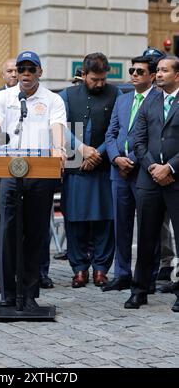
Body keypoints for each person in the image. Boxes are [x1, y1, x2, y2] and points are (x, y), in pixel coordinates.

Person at [0, 50, 66, 309]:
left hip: (41, 173)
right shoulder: (3, 97)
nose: (25, 74)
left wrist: (59, 148)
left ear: (40, 72)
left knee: (37, 234)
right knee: (7, 233)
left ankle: (29, 293)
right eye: (21, 69)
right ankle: (7, 293)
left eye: (31, 69)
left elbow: (57, 127)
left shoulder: (52, 100)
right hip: (9, 171)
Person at [60, 52, 119, 288]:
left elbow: (117, 128)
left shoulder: (116, 93)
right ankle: (79, 269)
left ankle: (101, 269)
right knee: (75, 219)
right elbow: (61, 127)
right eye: (95, 79)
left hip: (104, 166)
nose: (100, 84)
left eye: (103, 79)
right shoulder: (67, 94)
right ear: (83, 74)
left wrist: (97, 153)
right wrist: (82, 149)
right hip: (76, 165)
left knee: (106, 219)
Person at [124, 55, 179, 311]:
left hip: (176, 179)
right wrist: (152, 167)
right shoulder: (151, 101)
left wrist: (169, 168)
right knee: (146, 236)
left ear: (177, 75)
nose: (158, 74)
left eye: (164, 71)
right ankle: (140, 290)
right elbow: (138, 139)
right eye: (157, 70)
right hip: (149, 179)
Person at [104, 55, 158, 292]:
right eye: (132, 71)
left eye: (139, 71)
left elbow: (154, 139)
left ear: (152, 76)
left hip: (143, 172)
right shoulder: (122, 100)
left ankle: (147, 278)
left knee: (148, 227)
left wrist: (133, 161)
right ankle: (122, 274)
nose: (134, 75)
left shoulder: (158, 99)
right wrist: (116, 158)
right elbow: (111, 133)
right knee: (121, 225)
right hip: (119, 172)